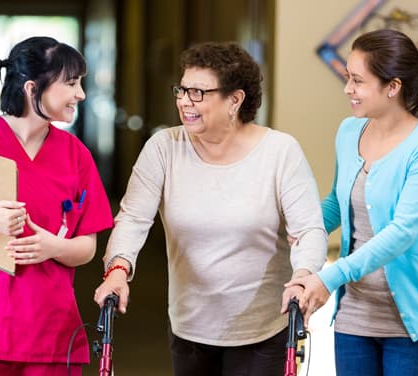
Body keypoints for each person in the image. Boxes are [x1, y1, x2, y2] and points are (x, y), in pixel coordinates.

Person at [94, 41, 327, 376]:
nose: (185, 100)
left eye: (199, 92)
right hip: (190, 326)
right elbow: (133, 218)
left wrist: (303, 275)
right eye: (182, 89)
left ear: (235, 99)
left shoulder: (280, 152)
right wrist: (117, 269)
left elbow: (308, 229)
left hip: (262, 329)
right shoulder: (165, 148)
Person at [287, 29, 418, 375]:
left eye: (358, 80)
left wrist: (330, 276)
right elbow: (336, 202)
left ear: (393, 87)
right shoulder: (348, 131)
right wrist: (303, 228)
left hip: (417, 326)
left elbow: (401, 232)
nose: (348, 89)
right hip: (355, 318)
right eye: (348, 78)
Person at [0, 36, 113, 375]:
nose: (80, 94)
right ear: (32, 88)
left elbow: (86, 247)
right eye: (71, 83)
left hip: (50, 332)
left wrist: (54, 247)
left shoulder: (76, 156)